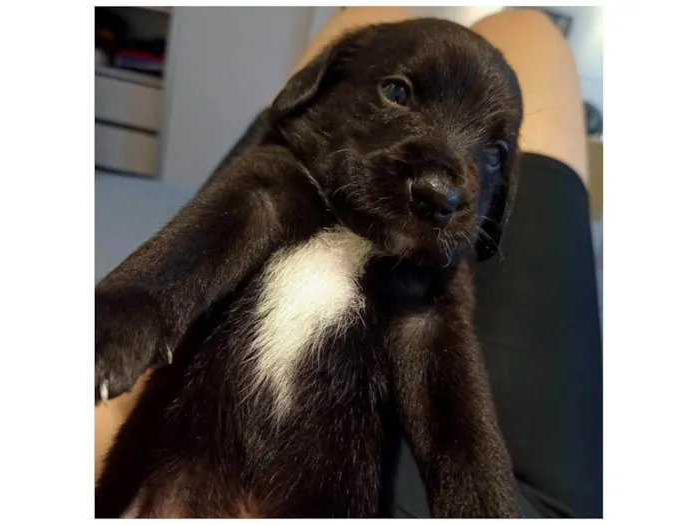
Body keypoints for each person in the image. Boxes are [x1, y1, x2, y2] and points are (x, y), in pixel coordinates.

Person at [94, 7, 602, 518]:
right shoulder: (279, 188)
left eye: (491, 155)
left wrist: (123, 312)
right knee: (529, 28)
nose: (444, 185)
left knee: (384, 20)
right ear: (318, 85)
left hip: (167, 485)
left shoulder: (413, 280)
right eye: (397, 94)